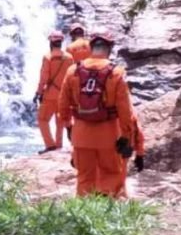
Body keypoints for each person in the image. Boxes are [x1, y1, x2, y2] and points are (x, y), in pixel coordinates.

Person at [58, 30, 135, 197]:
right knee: (110, 174)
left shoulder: (73, 71)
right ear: (109, 49)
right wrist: (127, 136)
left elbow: (63, 105)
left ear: (91, 48)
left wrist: (68, 128)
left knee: (84, 176)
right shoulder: (116, 72)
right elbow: (125, 110)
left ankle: (84, 215)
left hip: (81, 135)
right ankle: (105, 214)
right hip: (109, 136)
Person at [34, 30, 71, 153]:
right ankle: (59, 145)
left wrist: (38, 92)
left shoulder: (47, 57)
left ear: (51, 42)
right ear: (61, 42)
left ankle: (50, 145)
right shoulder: (69, 58)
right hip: (63, 95)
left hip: (50, 94)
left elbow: (44, 77)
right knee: (60, 122)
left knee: (42, 120)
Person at [114, 117, 146, 198]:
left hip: (103, 147)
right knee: (120, 175)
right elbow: (138, 133)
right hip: (124, 146)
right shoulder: (128, 111)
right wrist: (140, 154)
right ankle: (119, 195)